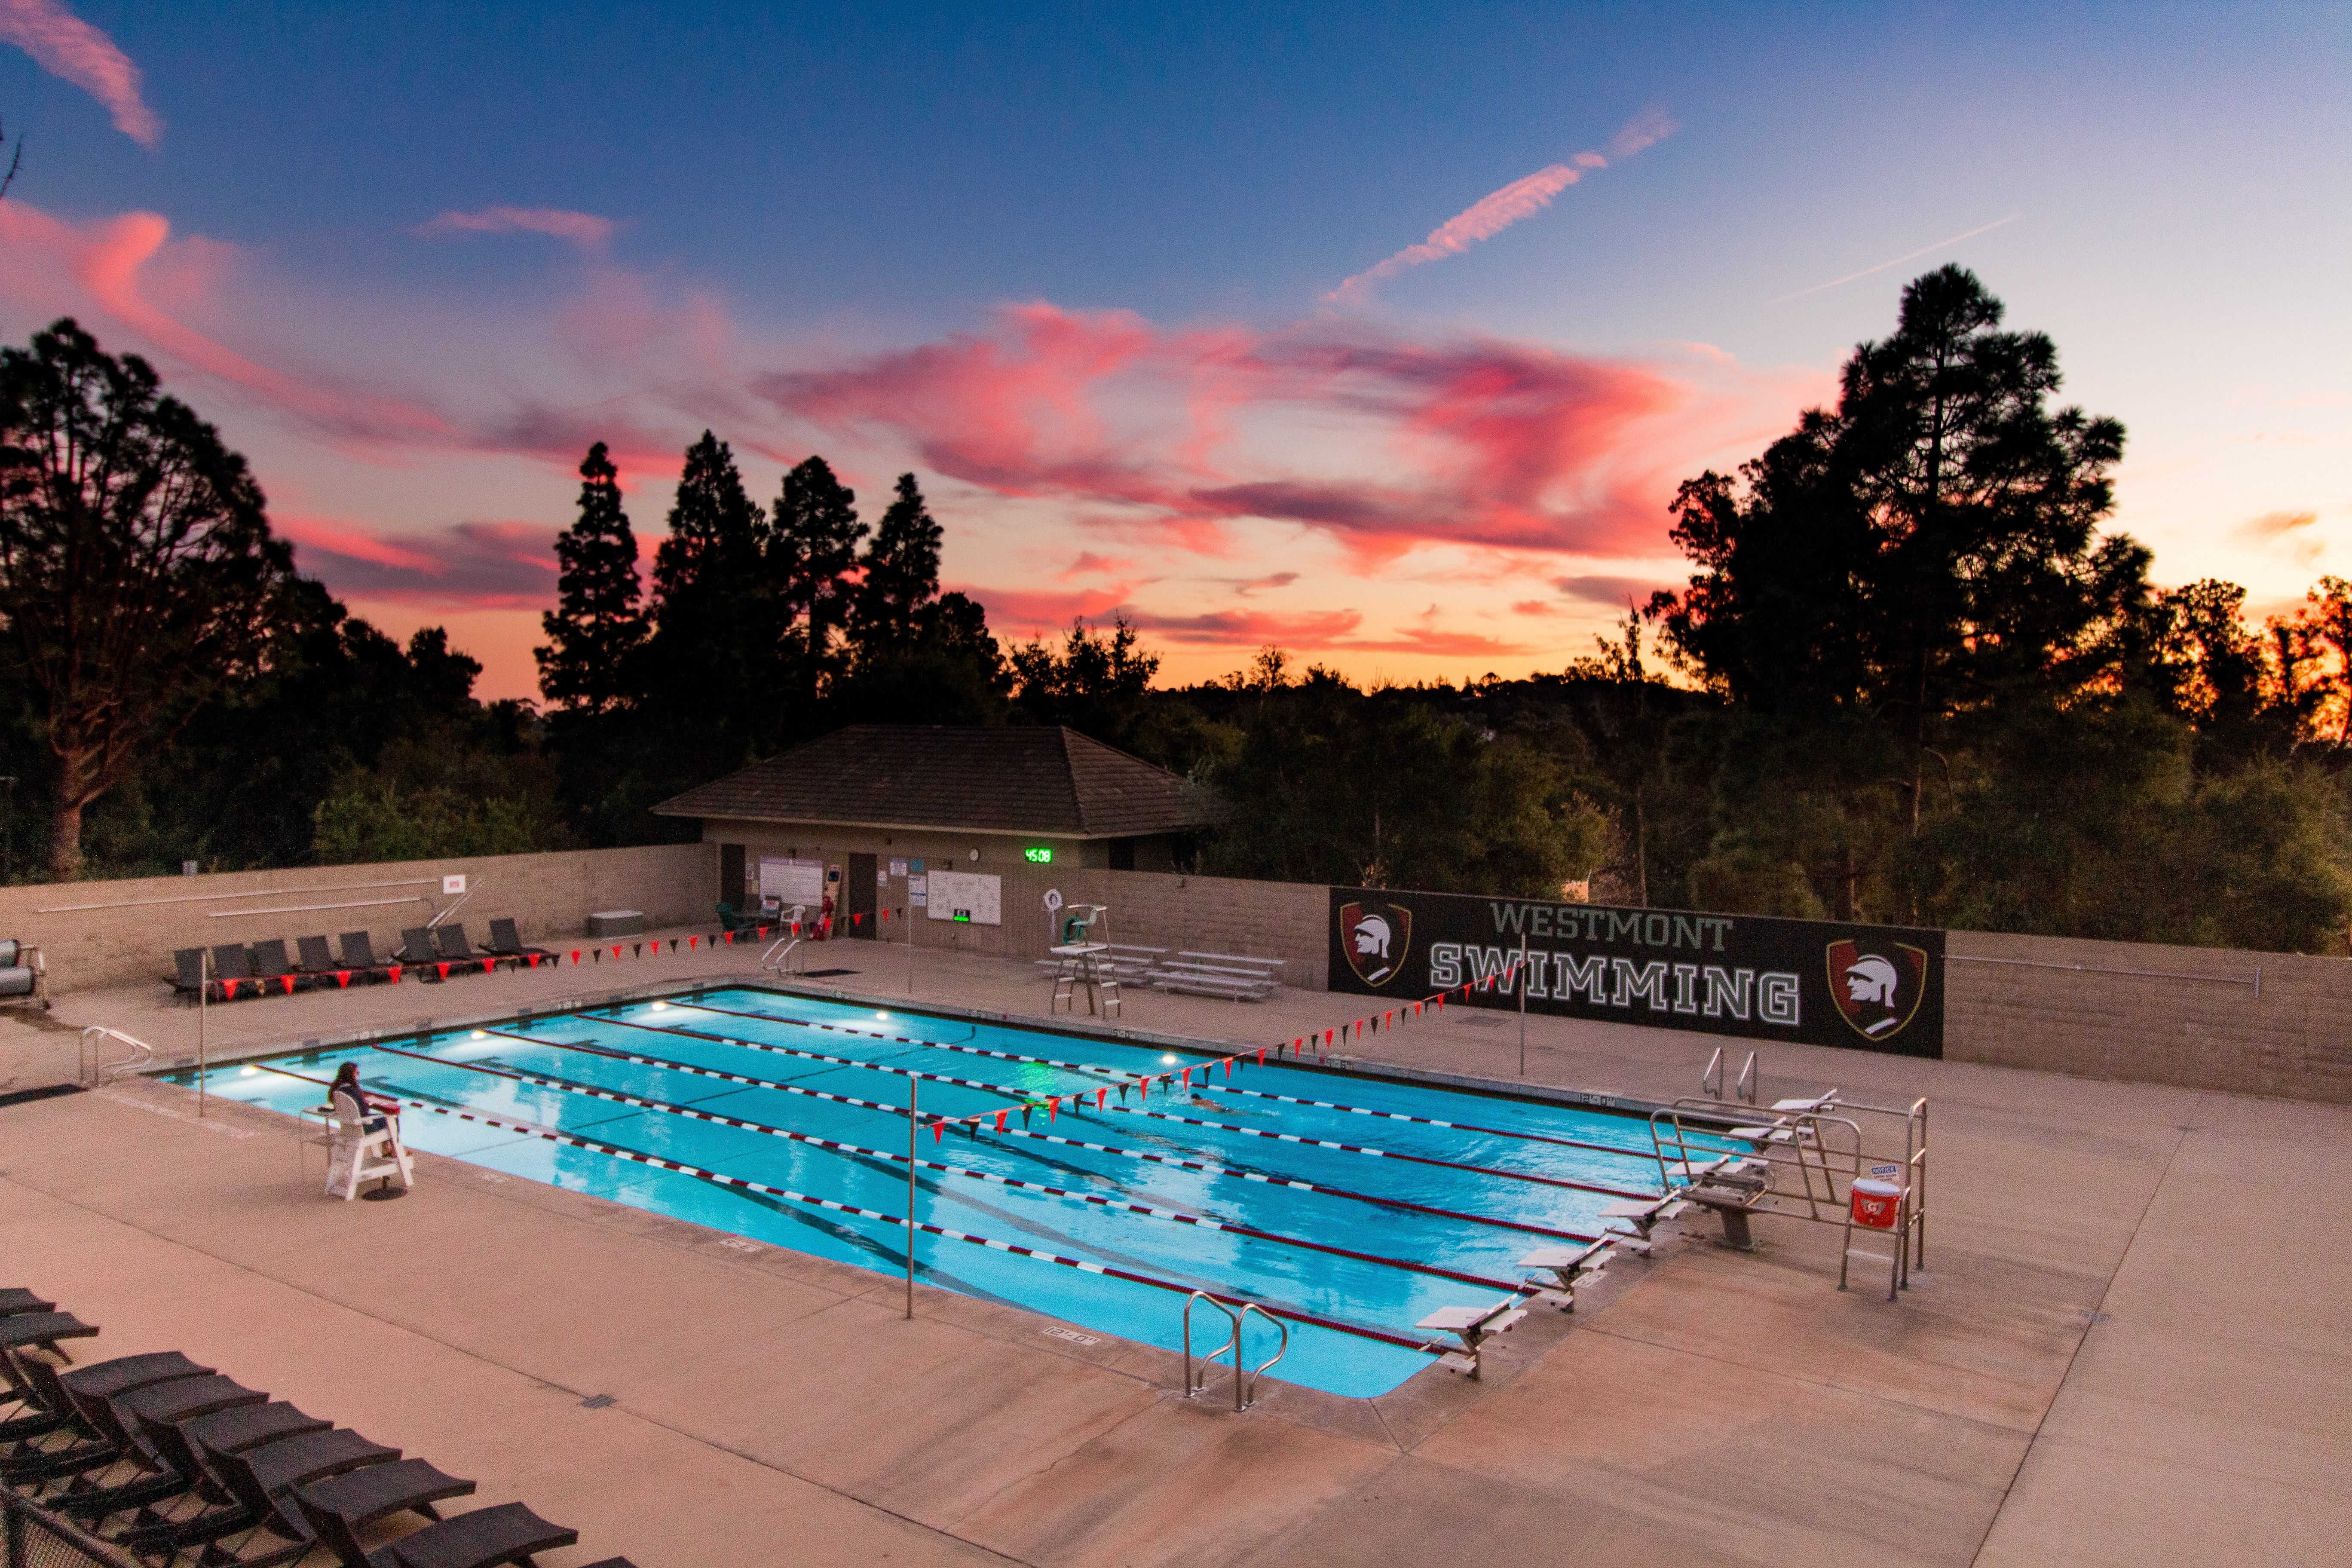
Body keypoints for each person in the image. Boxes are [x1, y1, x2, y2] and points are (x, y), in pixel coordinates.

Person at [328, 1061, 392, 1133]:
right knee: (389, 1119)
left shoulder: (337, 1090)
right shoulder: (352, 1091)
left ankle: (387, 1144)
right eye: (357, 1073)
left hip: (348, 1127)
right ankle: (390, 1145)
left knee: (383, 1120)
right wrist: (367, 1104)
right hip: (361, 1128)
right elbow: (365, 1112)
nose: (358, 1076)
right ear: (351, 1075)